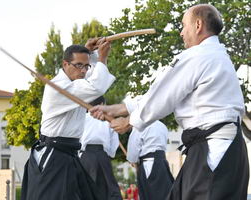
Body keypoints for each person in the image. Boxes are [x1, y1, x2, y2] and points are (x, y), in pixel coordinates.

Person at [90, 4, 249, 200]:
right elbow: (166, 93)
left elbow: (163, 96)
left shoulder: (197, 56)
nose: (181, 32)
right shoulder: (218, 57)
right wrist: (117, 108)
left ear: (198, 25)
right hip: (228, 149)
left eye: (184, 25)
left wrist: (129, 121)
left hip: (212, 149)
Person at [21, 38, 116, 200]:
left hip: (70, 153)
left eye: (86, 66)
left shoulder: (74, 85)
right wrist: (101, 58)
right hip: (54, 153)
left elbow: (91, 80)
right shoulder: (59, 87)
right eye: (79, 65)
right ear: (65, 64)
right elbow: (96, 87)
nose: (83, 70)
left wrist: (90, 55)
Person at [125, 97, 174, 200]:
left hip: (148, 164)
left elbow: (133, 148)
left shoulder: (140, 126)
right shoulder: (162, 126)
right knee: (166, 195)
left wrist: (132, 160)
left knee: (149, 195)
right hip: (162, 162)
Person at [79, 96, 122, 200]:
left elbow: (76, 138)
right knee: (107, 189)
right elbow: (114, 142)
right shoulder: (108, 120)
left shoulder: (81, 119)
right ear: (102, 105)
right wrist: (109, 154)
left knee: (85, 188)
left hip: (85, 156)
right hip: (102, 154)